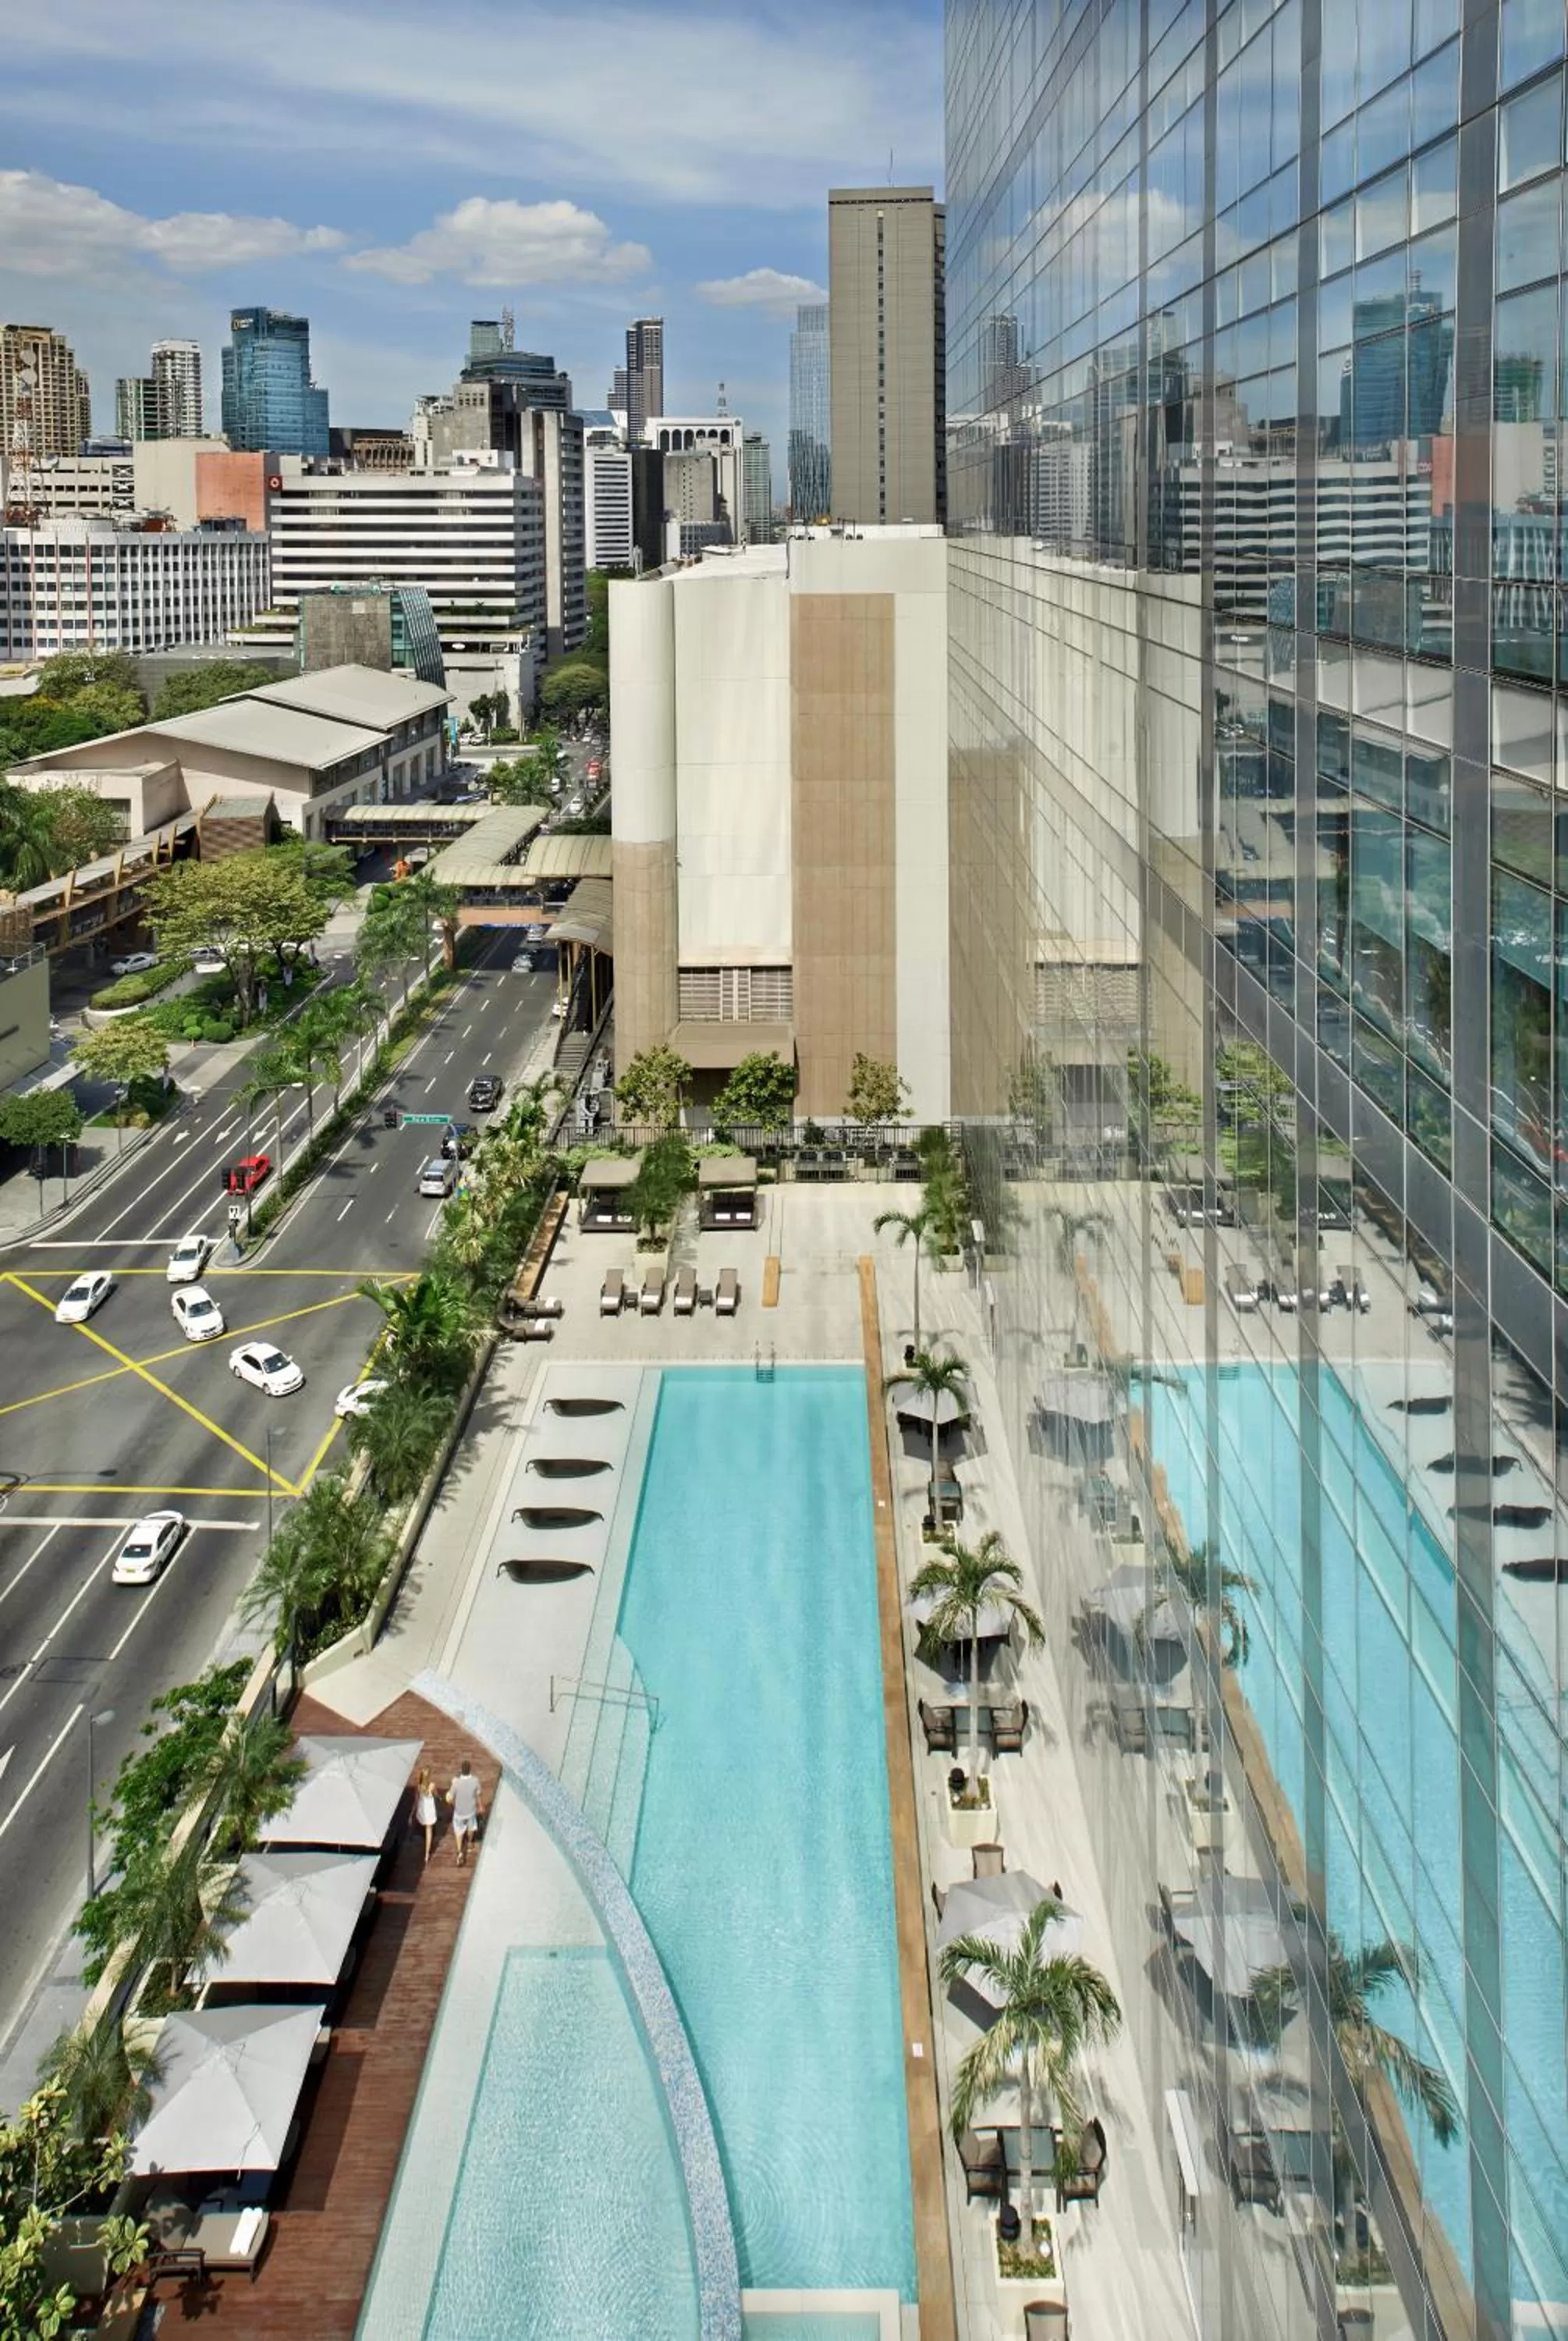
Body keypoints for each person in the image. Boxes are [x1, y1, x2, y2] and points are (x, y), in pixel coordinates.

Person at [448, 1759, 483, 1867]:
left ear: (461, 1771)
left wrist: (453, 1805)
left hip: (459, 1812)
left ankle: (459, 1852)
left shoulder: (456, 1783)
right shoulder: (475, 1781)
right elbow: (478, 1795)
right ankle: (469, 1843)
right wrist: (481, 1806)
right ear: (470, 1770)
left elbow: (450, 1797)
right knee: (471, 1827)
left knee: (459, 1831)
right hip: (471, 1811)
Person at [412, 1766, 438, 1864]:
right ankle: (427, 1854)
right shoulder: (432, 1785)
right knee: (429, 1831)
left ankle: (425, 1849)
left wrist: (412, 1814)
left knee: (424, 1828)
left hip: (423, 1809)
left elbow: (416, 1801)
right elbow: (436, 1795)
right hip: (430, 1809)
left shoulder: (418, 1787)